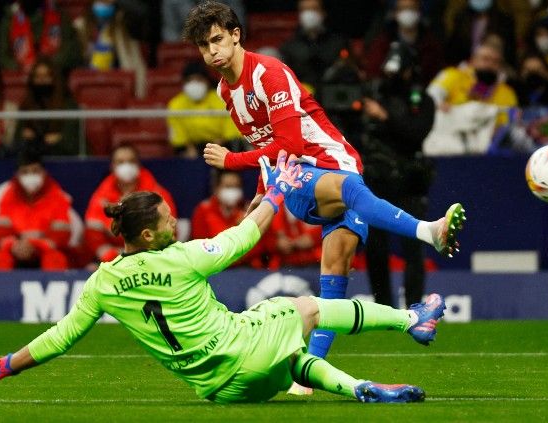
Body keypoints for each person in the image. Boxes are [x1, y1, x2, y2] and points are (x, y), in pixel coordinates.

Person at [0, 150, 447, 404]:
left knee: (290, 356)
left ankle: (360, 387)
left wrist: (0, 367)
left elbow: (60, 338)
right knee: (304, 309)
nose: (173, 223)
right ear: (146, 236)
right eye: (165, 221)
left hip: (221, 389)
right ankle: (410, 319)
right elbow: (246, 237)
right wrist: (279, 190)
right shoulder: (181, 258)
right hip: (246, 350)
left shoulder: (102, 283)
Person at [187, 1, 464, 393]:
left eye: (217, 40)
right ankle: (428, 231)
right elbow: (276, 147)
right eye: (203, 45)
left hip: (340, 163)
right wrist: (263, 189)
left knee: (334, 276)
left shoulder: (268, 73)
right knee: (348, 193)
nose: (211, 51)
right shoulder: (226, 92)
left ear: (236, 35)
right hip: (305, 177)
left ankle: (318, 372)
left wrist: (233, 160)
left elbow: (288, 140)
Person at [362, 41, 436, 307]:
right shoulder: (374, 95)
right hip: (376, 181)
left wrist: (385, 117)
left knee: (413, 247)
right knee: (375, 248)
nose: (392, 77)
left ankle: (415, 307)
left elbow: (416, 133)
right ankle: (383, 307)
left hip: (409, 182)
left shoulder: (422, 100)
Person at [85, 143, 177, 263]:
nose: (126, 166)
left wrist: (147, 256)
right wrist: (111, 257)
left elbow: (170, 231)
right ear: (112, 166)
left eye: (131, 161)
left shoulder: (157, 193)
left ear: (138, 164)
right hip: (111, 259)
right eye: (120, 162)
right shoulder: (101, 195)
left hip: (152, 258)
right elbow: (93, 235)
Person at [0, 148, 72, 271]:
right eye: (25, 172)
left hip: (44, 250)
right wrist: (14, 245)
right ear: (17, 175)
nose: (30, 176)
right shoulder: (8, 196)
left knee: (56, 258)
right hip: (16, 249)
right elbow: (1, 232)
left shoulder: (58, 196)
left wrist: (34, 245)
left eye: (35, 171)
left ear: (44, 173)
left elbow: (60, 236)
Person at [427, 42, 517, 126]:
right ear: (473, 60)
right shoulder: (452, 75)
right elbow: (431, 97)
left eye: (495, 62)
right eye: (485, 59)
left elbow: (510, 124)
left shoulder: (507, 92)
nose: (490, 65)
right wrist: (439, 105)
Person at [191, 170, 267, 268]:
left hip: (245, 269)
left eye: (236, 187)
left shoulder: (249, 210)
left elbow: (259, 247)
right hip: (212, 269)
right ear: (216, 188)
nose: (232, 191)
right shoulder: (203, 211)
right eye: (228, 187)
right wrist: (240, 229)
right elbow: (200, 247)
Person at [166, 61, 242, 158]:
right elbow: (178, 140)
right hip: (192, 149)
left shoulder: (222, 99)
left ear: (207, 81)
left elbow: (231, 135)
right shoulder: (175, 105)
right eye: (189, 80)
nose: (194, 84)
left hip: (222, 146)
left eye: (198, 80)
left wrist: (214, 149)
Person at [74, 0, 148, 98]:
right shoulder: (79, 26)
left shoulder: (127, 20)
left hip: (122, 86)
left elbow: (142, 12)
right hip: (90, 87)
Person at [363, 0, 445, 84]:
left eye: (412, 8)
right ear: (395, 13)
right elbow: (372, 73)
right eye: (403, 9)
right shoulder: (382, 42)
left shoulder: (430, 44)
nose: (408, 13)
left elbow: (437, 76)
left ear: (419, 12)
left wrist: (416, 73)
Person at [15, 57, 80, 156]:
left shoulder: (69, 106)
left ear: (55, 79)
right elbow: (16, 139)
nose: (41, 80)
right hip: (32, 161)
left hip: (64, 160)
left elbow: (71, 144)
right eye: (37, 76)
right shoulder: (26, 106)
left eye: (46, 76)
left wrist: (58, 139)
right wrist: (24, 135)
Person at [279, 0, 348, 91]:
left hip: (332, 97)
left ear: (323, 13)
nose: (309, 14)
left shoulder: (339, 43)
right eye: (304, 10)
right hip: (302, 98)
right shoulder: (288, 47)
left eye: (314, 9)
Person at [0, 0, 81, 72]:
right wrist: (20, 67)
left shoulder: (58, 14)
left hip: (55, 75)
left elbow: (70, 48)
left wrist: (49, 66)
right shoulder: (9, 19)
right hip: (22, 76)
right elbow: (2, 56)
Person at [443, 0, 517, 68]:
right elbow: (453, 49)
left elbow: (510, 53)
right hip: (464, 68)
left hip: (493, 69)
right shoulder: (461, 19)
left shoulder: (504, 21)